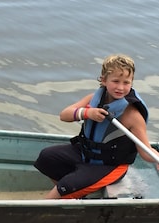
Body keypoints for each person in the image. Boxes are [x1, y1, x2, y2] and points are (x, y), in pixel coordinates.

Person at [34, 54, 159, 199]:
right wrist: (87, 113)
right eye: (116, 81)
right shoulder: (93, 99)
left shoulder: (132, 115)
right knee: (47, 157)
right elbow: (64, 115)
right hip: (85, 154)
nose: (120, 87)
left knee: (66, 186)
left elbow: (145, 151)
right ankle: (73, 196)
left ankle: (55, 199)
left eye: (126, 82)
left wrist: (157, 159)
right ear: (104, 80)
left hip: (111, 166)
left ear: (132, 83)